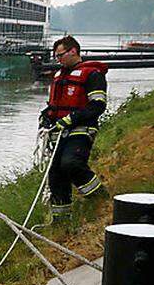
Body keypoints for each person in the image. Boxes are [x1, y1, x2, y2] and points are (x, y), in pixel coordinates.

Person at [40, 36, 108, 218]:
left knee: (71, 163)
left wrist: (71, 119)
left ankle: (100, 198)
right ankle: (61, 220)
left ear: (73, 51)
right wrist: (46, 117)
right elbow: (54, 105)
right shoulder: (60, 76)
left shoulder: (93, 75)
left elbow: (98, 105)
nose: (58, 59)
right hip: (59, 132)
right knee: (55, 174)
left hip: (81, 130)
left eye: (60, 55)